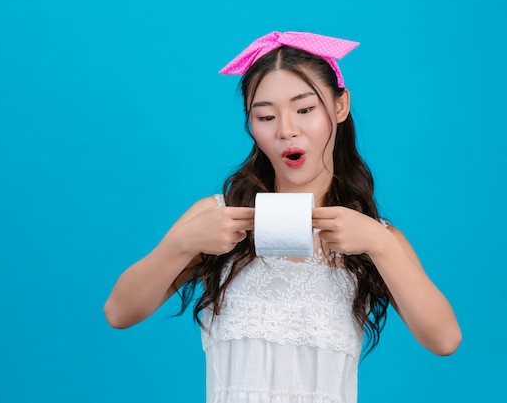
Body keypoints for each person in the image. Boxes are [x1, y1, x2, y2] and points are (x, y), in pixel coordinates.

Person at [103, 31, 461, 403]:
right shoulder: (215, 216)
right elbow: (119, 312)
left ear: (340, 107)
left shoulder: (375, 237)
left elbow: (444, 339)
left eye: (305, 110)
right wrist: (182, 243)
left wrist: (380, 244)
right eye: (266, 116)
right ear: (251, 123)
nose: (286, 130)